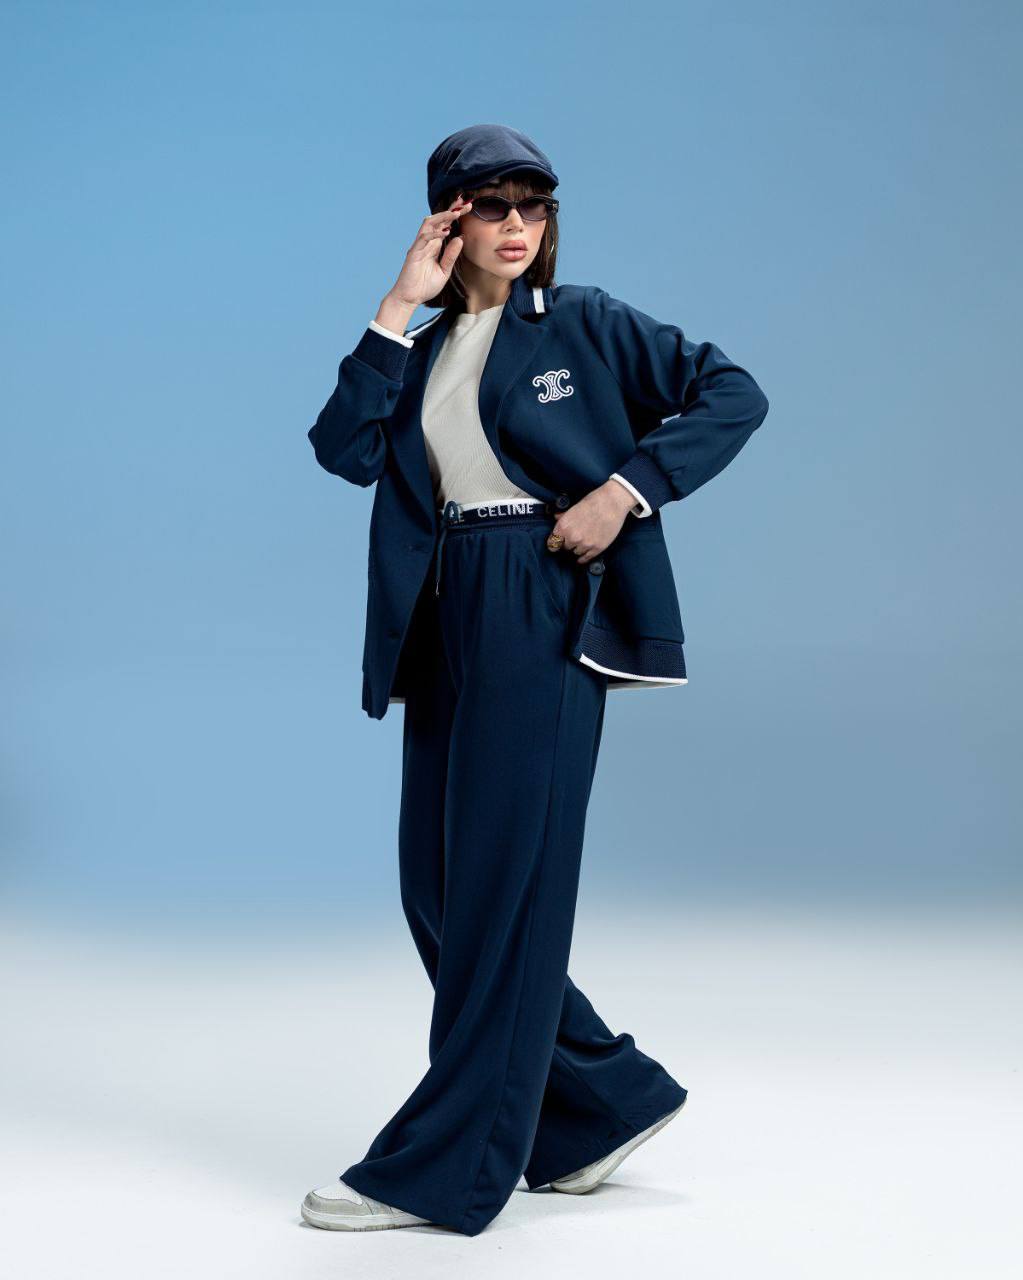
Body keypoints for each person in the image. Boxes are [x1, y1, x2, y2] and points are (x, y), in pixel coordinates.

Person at [301, 124, 769, 1237]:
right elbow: (341, 448)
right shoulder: (421, 349)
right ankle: (603, 1104)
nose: (517, 226)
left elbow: (733, 391)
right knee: (438, 889)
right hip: (444, 610)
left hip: (540, 595)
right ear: (448, 220)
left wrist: (626, 489)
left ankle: (445, 1166)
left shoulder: (582, 322)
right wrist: (395, 306)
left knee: (502, 889)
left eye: (535, 206)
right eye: (492, 206)